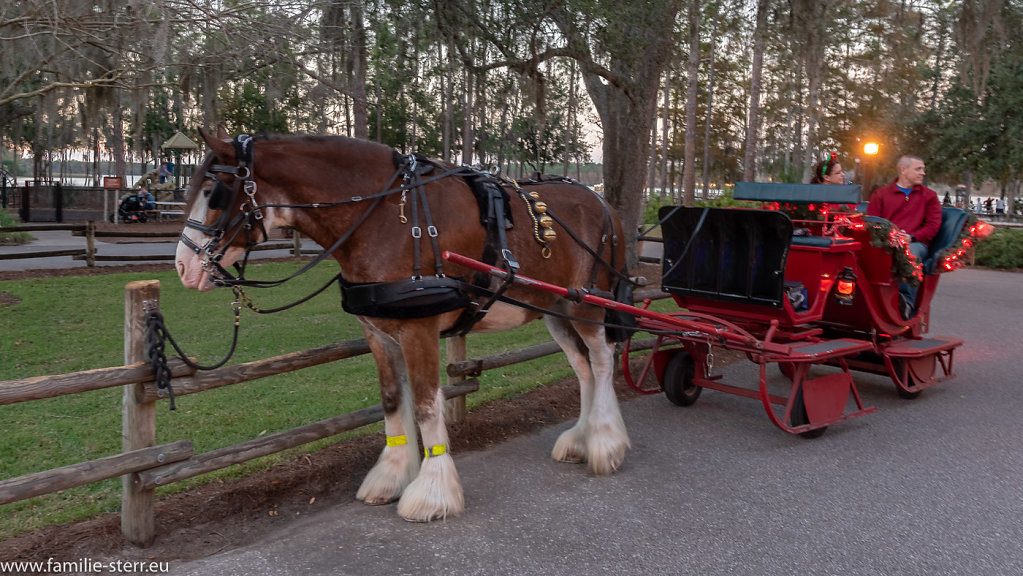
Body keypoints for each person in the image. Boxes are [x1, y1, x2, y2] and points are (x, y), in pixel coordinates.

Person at [867, 154, 942, 318]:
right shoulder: (881, 194)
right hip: (886, 242)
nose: (923, 173)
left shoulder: (929, 196)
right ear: (903, 170)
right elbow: (872, 223)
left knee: (910, 253)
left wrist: (911, 237)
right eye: (918, 169)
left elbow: (932, 227)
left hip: (915, 243)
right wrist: (887, 237)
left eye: (923, 169)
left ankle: (905, 303)